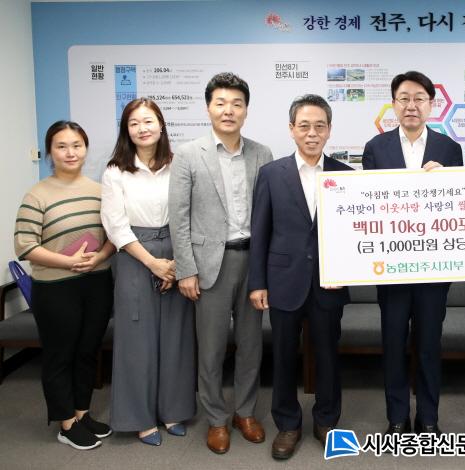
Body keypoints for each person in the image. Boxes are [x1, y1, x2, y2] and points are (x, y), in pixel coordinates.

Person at [168, 72, 273, 454]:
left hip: (253, 261)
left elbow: (269, 215)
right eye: (221, 103)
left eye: (236, 104)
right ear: (208, 107)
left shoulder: (262, 153)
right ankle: (216, 418)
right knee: (210, 349)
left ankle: (245, 412)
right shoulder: (188, 154)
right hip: (209, 263)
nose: (228, 110)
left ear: (246, 110)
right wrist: (186, 269)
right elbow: (178, 217)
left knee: (251, 346)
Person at [248, 94, 351, 460]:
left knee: (328, 355)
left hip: (329, 282)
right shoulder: (271, 174)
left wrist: (345, 272)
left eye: (319, 126)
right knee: (284, 357)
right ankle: (288, 424)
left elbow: (353, 235)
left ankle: (327, 420)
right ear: (292, 129)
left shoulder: (345, 175)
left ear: (329, 130)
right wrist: (257, 282)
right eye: (304, 126)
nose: (312, 133)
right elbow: (260, 232)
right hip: (283, 281)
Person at [362, 71, 463, 435]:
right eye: (404, 98)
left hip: (433, 268)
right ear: (393, 104)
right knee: (392, 343)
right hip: (390, 268)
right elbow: (367, 206)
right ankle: (397, 417)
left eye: (419, 98)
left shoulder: (449, 149)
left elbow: (459, 205)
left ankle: (429, 417)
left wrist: (445, 181)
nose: (411, 105)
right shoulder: (376, 147)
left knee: (429, 344)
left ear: (431, 105)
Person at [14, 120, 115, 450]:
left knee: (87, 351)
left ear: (85, 149)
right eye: (61, 146)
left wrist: (100, 256)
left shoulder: (100, 191)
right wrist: (67, 261)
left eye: (76, 145)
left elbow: (114, 235)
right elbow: (25, 246)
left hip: (96, 282)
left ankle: (82, 413)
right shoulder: (37, 194)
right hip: (55, 287)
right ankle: (66, 423)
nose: (70, 152)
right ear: (50, 152)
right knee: (61, 354)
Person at [101, 98, 195, 446]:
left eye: (148, 121)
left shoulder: (179, 164)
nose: (142, 128)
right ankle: (139, 418)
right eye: (134, 123)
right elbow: (115, 225)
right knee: (137, 338)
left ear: (161, 125)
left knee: (176, 336)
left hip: (176, 251)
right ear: (126, 130)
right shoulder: (115, 171)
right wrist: (153, 263)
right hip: (133, 254)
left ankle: (173, 410)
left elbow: (189, 213)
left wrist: (176, 263)